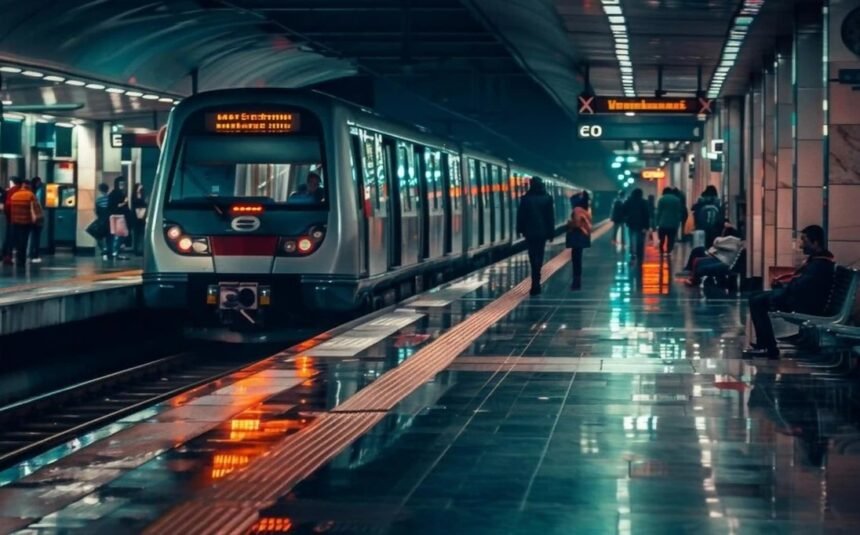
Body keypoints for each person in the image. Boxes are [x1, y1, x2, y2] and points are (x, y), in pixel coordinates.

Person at [744, 225, 834, 359]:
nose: (801, 246)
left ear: (815, 243)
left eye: (804, 241)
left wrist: (781, 291)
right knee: (756, 297)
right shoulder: (819, 261)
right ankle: (764, 344)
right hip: (803, 300)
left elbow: (799, 287)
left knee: (757, 301)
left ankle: (767, 346)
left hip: (805, 305)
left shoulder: (819, 264)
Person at [516, 176, 555, 296]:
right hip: (542, 233)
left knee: (532, 255)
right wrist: (551, 232)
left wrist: (519, 230)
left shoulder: (526, 198)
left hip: (530, 232)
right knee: (540, 254)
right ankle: (537, 279)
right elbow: (550, 217)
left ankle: (535, 281)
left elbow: (521, 216)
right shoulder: (547, 198)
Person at [8, 179, 42, 267]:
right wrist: (37, 218)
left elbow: (10, 209)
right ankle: (22, 260)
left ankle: (18, 259)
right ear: (29, 186)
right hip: (26, 222)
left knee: (18, 241)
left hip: (15, 222)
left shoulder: (14, 195)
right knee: (24, 241)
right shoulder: (30, 195)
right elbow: (36, 208)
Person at [566, 191, 592, 291]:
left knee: (576, 260)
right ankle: (577, 281)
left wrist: (569, 224)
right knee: (578, 259)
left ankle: (576, 282)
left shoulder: (577, 210)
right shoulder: (586, 210)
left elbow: (576, 224)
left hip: (576, 237)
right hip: (583, 237)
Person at [623, 188, 650, 265]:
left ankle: (632, 253)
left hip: (631, 223)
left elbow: (624, 211)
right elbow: (646, 214)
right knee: (640, 239)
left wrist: (626, 218)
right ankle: (639, 252)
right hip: (641, 224)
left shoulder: (628, 201)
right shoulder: (644, 202)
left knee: (632, 238)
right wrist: (647, 226)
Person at [107, 176, 130, 260]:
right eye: (121, 184)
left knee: (117, 235)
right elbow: (115, 206)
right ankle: (115, 252)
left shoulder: (116, 193)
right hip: (117, 217)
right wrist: (124, 203)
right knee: (118, 235)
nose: (122, 186)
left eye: (123, 184)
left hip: (117, 216)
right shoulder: (117, 194)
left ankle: (114, 252)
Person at [2, 177, 23, 265]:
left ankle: (7, 256)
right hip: (21, 219)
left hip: (11, 218)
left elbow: (7, 205)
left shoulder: (11, 191)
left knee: (9, 238)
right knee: (19, 239)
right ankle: (19, 258)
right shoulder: (21, 191)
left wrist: (7, 214)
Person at [655, 187, 682, 255]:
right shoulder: (677, 200)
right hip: (673, 223)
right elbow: (678, 212)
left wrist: (657, 222)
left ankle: (661, 250)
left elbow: (659, 212)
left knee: (662, 238)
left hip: (663, 223)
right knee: (671, 238)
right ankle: (669, 251)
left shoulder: (661, 199)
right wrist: (678, 222)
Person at [29, 176, 45, 263]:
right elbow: (38, 207)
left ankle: (32, 254)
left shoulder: (31, 192)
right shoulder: (37, 193)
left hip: (30, 219)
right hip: (37, 219)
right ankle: (34, 255)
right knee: (36, 237)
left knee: (32, 237)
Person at [94, 183, 111, 260]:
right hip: (109, 220)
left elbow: (96, 211)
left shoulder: (98, 200)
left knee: (98, 236)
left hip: (101, 220)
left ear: (100, 190)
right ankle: (108, 249)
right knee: (109, 236)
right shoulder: (110, 199)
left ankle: (103, 249)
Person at [131, 184, 147, 256]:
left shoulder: (142, 195)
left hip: (142, 215)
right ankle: (136, 250)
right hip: (136, 216)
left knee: (142, 233)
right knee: (137, 234)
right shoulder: (134, 196)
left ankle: (141, 249)